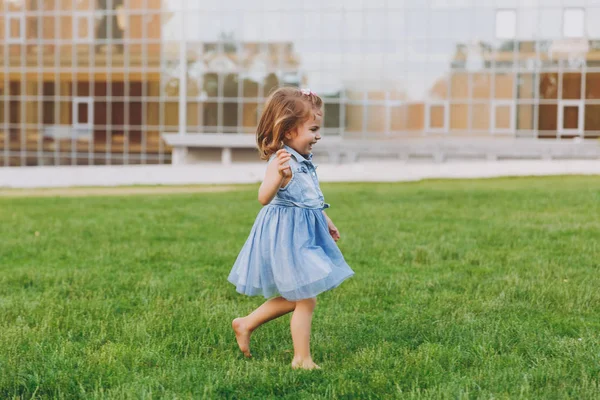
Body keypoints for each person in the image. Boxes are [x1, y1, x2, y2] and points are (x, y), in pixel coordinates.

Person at [227, 87, 354, 370]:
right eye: (313, 128)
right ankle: (301, 359)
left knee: (301, 296)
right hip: (286, 236)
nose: (318, 135)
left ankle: (246, 323)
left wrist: (326, 220)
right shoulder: (281, 161)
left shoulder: (303, 160)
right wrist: (279, 178)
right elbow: (263, 197)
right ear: (287, 131)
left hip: (302, 233)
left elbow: (309, 196)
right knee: (305, 299)